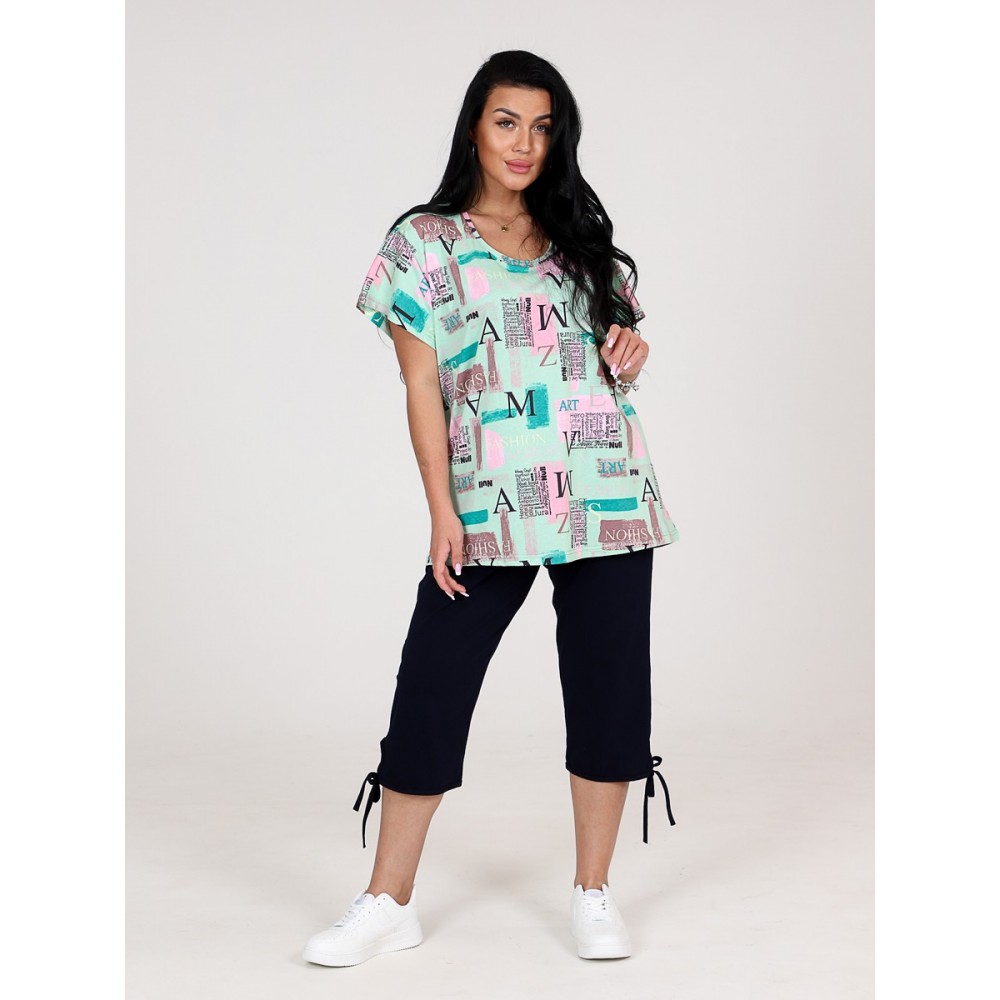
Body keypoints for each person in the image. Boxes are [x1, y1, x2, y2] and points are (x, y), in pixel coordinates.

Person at [303, 49, 680, 968]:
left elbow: (617, 350)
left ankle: (593, 892)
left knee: (608, 689)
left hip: (604, 489)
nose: (525, 143)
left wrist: (631, 350)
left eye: (543, 127)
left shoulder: (578, 239)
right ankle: (387, 901)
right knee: (432, 684)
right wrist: (442, 510)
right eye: (507, 121)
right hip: (487, 506)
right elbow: (420, 385)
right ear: (474, 125)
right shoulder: (423, 244)